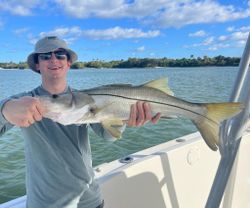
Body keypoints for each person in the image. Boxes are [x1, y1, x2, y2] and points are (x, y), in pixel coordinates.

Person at [0, 36, 161, 208]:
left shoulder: (86, 98)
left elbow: (109, 136)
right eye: (45, 56)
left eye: (60, 55)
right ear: (37, 64)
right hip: (44, 203)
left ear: (68, 62)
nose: (53, 59)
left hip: (90, 200)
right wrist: (5, 110)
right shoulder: (24, 101)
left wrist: (123, 118)